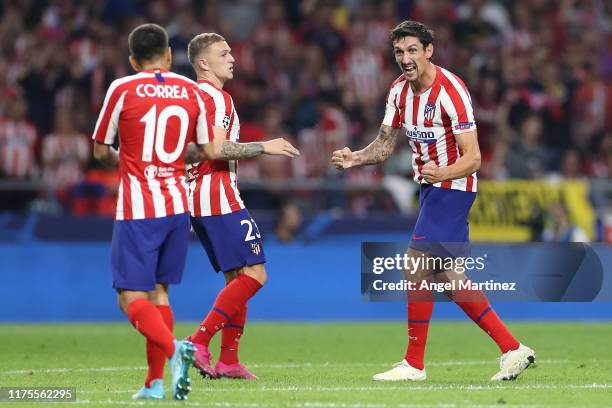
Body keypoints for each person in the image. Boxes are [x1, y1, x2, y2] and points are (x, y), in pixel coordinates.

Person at [332, 20, 535, 382]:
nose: (405, 58)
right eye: (399, 52)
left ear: (429, 51)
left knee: (415, 264)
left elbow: (474, 158)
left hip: (454, 186)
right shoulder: (397, 91)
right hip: (431, 187)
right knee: (444, 275)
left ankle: (413, 364)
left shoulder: (451, 90)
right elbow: (383, 145)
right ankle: (513, 349)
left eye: (412, 50)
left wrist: (442, 173)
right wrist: (356, 158)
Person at [92, 23, 205, 400]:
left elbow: (99, 151)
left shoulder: (121, 88)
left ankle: (176, 350)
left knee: (129, 296)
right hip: (177, 206)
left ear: (132, 59)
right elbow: (202, 148)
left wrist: (128, 159)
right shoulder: (192, 90)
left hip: (139, 207)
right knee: (159, 293)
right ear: (170, 55)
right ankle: (154, 384)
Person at [183, 32, 299, 380]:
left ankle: (229, 360)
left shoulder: (192, 97)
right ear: (203, 63)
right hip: (217, 194)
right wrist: (265, 146)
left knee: (236, 279)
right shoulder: (215, 98)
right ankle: (196, 342)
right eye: (223, 53)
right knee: (255, 273)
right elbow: (217, 150)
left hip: (198, 196)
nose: (232, 57)